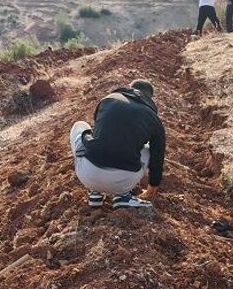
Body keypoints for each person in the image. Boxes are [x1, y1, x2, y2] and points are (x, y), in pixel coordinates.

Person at [69, 80, 165, 209]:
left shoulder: (108, 99)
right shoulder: (154, 120)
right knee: (149, 150)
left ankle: (95, 193)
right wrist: (150, 191)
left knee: (79, 126)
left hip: (88, 175)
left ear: (129, 89)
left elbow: (98, 131)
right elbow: (157, 161)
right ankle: (122, 196)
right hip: (123, 181)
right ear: (150, 98)